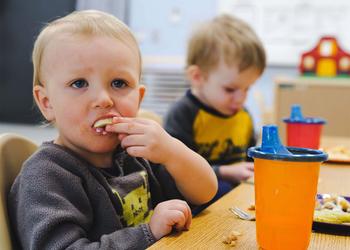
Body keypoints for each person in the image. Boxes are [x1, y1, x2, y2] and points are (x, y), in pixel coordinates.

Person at [8, 10, 218, 249]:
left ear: (138, 99)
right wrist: (148, 232)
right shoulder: (45, 176)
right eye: (79, 83)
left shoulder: (138, 152)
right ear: (47, 103)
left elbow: (204, 193)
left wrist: (172, 152)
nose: (103, 99)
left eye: (119, 83)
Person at [164, 14, 266, 212]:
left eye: (247, 89)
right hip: (195, 204)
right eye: (230, 89)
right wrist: (224, 172)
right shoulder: (183, 114)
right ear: (197, 77)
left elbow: (248, 163)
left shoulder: (242, 115)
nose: (241, 98)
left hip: (237, 203)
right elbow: (174, 171)